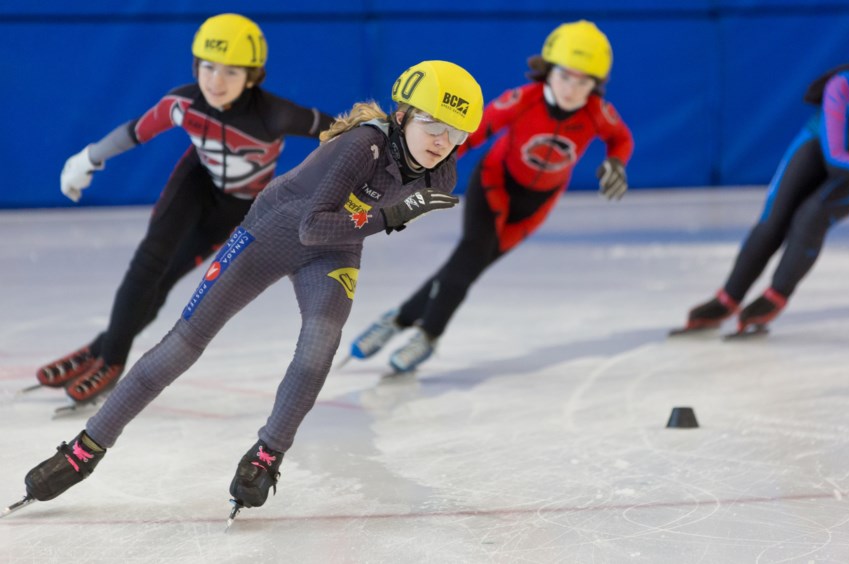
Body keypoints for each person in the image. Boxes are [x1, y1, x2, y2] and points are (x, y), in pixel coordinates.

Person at [15, 59, 483, 514]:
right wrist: (392, 215)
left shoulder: (442, 172)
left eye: (457, 133)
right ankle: (86, 448)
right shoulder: (363, 146)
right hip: (274, 231)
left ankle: (266, 455)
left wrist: (386, 216)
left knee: (320, 344)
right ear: (402, 117)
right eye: (433, 125)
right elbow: (312, 227)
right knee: (185, 342)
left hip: (336, 249)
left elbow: (343, 230)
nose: (443, 141)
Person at [34, 13, 336, 406]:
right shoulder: (182, 102)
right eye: (208, 67)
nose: (215, 80)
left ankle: (101, 345)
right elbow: (135, 131)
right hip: (195, 183)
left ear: (252, 75)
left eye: (230, 71)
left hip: (236, 210)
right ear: (196, 66)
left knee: (165, 281)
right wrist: (88, 158)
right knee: (148, 263)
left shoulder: (276, 114)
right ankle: (111, 360)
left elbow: (341, 131)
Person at [346, 20, 634, 373]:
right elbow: (477, 132)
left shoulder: (597, 113)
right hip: (494, 185)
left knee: (467, 266)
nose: (573, 89)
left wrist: (616, 163)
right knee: (469, 258)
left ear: (596, 84)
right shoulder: (524, 100)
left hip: (534, 207)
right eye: (565, 76)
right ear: (548, 70)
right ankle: (428, 333)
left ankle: (400, 318)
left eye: (584, 81)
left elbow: (621, 138)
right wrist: (427, 172)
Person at [676, 15, 849, 336]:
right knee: (773, 221)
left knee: (811, 217)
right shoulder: (842, 87)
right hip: (826, 149)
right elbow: (836, 159)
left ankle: (776, 296)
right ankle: (727, 298)